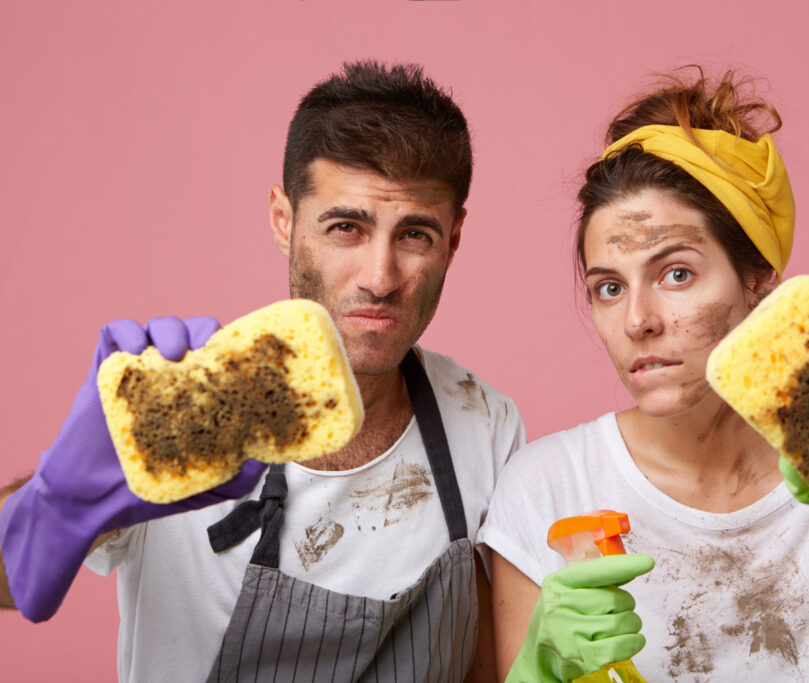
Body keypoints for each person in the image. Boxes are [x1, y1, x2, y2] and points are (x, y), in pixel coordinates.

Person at [0, 61, 525, 682]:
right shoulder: (182, 409)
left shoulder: (485, 422)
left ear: (453, 240)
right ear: (284, 220)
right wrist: (59, 498)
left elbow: (484, 666)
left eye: (414, 235)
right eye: (346, 228)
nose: (380, 278)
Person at [480, 67, 809, 682]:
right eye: (609, 288)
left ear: (759, 283)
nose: (638, 320)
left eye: (676, 274)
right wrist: (541, 668)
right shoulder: (548, 487)